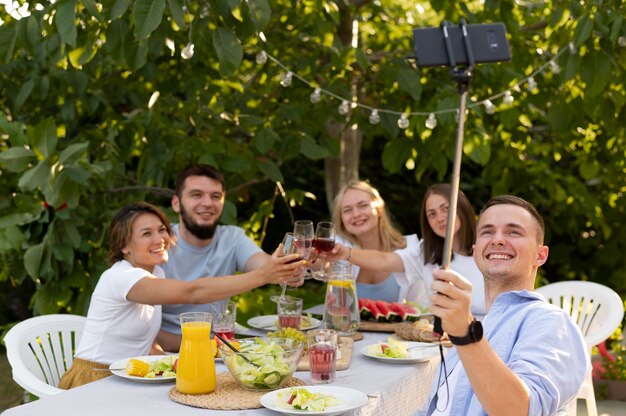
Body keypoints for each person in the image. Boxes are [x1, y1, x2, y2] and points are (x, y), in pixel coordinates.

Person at [58, 202, 302, 389]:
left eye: (162, 229)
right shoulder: (122, 277)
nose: (160, 239)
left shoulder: (156, 272)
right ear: (125, 246)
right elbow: (193, 292)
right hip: (94, 380)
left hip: (130, 377)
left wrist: (212, 347)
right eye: (146, 234)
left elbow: (148, 340)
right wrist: (262, 275)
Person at [423, 195, 588, 415]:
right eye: (487, 232)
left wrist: (466, 333)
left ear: (540, 255)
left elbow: (521, 410)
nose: (497, 240)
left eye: (514, 232)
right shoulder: (480, 326)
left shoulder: (552, 322)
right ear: (475, 252)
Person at [157, 164, 302, 352]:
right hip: (165, 353)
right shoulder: (159, 245)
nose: (208, 203)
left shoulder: (232, 237)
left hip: (219, 348)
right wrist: (204, 346)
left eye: (215, 196)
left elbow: (263, 264)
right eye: (196, 195)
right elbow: (143, 327)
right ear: (176, 203)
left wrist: (286, 269)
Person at [328, 183, 486, 317]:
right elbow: (384, 260)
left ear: (462, 207)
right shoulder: (425, 253)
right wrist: (345, 253)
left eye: (446, 209)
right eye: (432, 214)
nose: (440, 218)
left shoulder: (489, 246)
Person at [330, 180, 416, 303]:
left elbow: (421, 306)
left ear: (379, 208)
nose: (356, 214)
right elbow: (319, 264)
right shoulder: (338, 248)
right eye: (347, 210)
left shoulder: (409, 248)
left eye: (363, 205)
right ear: (341, 219)